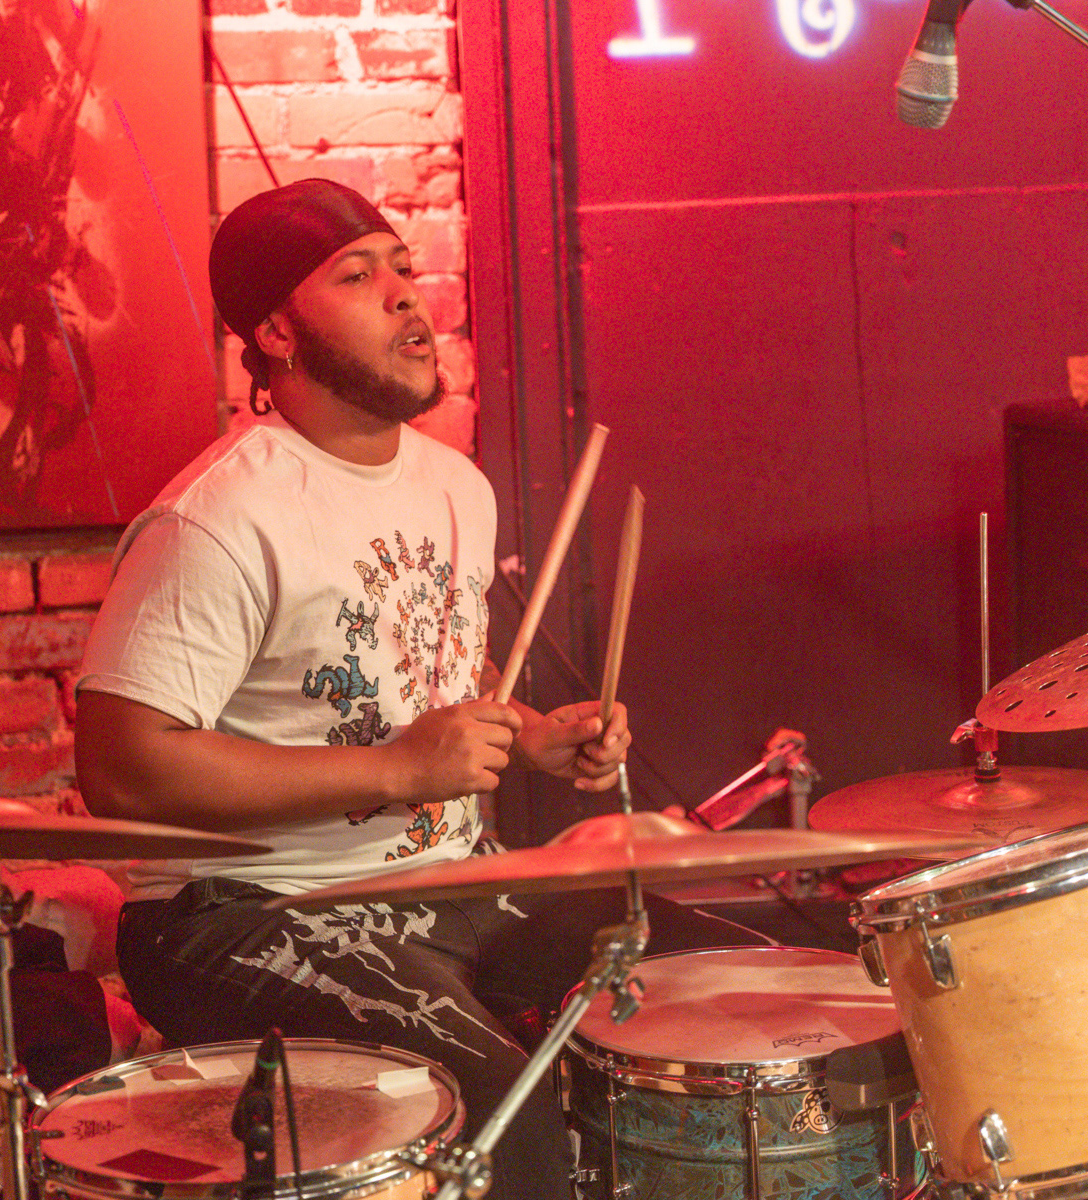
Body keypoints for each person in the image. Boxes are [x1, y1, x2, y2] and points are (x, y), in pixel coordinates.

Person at [74, 179, 758, 1198]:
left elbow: (423, 673)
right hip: (241, 915)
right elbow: (123, 769)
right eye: (357, 276)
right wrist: (398, 770)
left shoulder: (454, 487)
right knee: (498, 1106)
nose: (405, 294)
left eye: (402, 265)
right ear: (276, 332)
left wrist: (530, 735)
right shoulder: (218, 520)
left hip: (449, 884)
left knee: (729, 990)